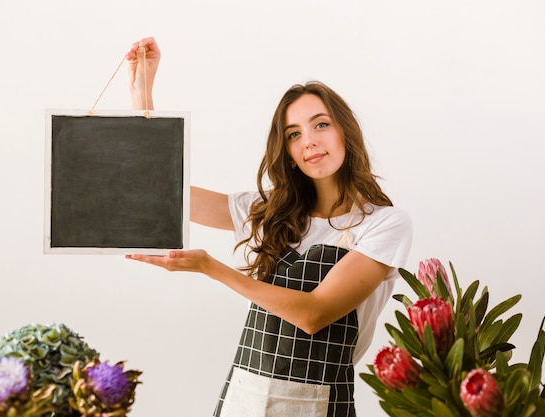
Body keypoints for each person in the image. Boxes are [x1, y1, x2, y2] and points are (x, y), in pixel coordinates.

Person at [125, 37, 413, 417]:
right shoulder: (267, 211)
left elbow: (315, 314)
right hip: (244, 395)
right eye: (294, 134)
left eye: (321, 125)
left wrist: (213, 269)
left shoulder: (383, 223)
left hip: (318, 403)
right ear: (289, 154)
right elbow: (162, 187)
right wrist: (142, 93)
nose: (309, 141)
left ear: (346, 132)